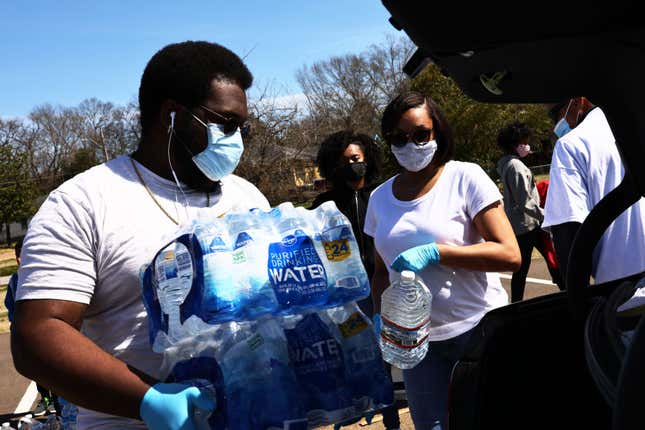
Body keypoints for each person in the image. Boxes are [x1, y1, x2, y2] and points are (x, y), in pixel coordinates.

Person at [12, 41, 271, 429]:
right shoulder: (84, 202)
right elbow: (38, 333)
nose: (238, 138)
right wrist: (149, 399)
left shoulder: (246, 196)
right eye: (226, 124)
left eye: (244, 127)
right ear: (171, 114)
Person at [365, 90, 521, 430]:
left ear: (437, 131)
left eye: (420, 134)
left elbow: (510, 254)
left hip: (475, 331)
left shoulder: (465, 178)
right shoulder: (379, 198)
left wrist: (438, 252)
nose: (411, 144)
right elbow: (380, 272)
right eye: (398, 138)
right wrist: (379, 319)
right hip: (415, 343)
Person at [310, 130, 400, 430]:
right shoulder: (325, 204)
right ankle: (353, 411)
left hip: (383, 284)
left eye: (356, 158)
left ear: (367, 159)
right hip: (346, 293)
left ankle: (391, 418)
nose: (351, 164)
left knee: (386, 354)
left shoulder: (382, 194)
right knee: (353, 354)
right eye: (344, 160)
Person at [543, 97, 645, 284]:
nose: (556, 123)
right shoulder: (635, 127)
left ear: (578, 101)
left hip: (622, 292)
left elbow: (568, 234)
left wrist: (579, 305)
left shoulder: (571, 145)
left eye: (554, 113)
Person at [496, 122, 563, 301]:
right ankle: (517, 303)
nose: (527, 145)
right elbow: (524, 201)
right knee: (534, 264)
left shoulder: (507, 164)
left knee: (543, 261)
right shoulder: (516, 167)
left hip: (525, 224)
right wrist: (546, 216)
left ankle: (563, 287)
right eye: (524, 142)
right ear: (515, 144)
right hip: (528, 225)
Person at [4, 238, 59, 416]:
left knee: (55, 369)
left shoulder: (40, 275)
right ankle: (45, 399)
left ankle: (59, 403)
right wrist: (16, 326)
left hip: (47, 332)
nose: (19, 260)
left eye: (22, 255)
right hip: (28, 334)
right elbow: (10, 304)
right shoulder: (14, 279)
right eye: (16, 256)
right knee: (37, 370)